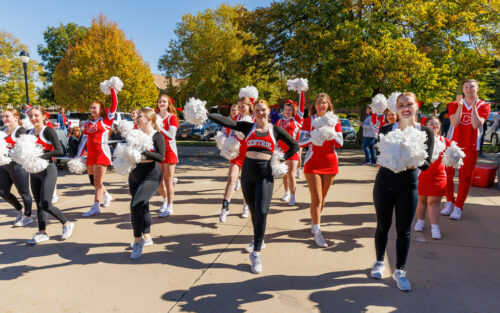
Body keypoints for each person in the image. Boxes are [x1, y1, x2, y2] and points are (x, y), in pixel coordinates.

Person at [208, 99, 299, 273]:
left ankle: (256, 252)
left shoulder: (275, 130)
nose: (260, 113)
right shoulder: (248, 127)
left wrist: (280, 158)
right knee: (254, 211)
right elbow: (228, 122)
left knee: (263, 211)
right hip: (248, 174)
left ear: (268, 111)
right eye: (257, 110)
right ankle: (260, 239)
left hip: (265, 174)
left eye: (263, 110)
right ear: (254, 112)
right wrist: (208, 115)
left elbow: (294, 145)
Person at [370, 92, 434, 291]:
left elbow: (425, 164)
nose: (406, 108)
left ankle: (400, 270)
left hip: (408, 185)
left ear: (416, 106)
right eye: (401, 105)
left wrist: (407, 157)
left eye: (409, 104)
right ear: (396, 108)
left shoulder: (425, 132)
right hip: (384, 184)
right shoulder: (386, 129)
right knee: (382, 225)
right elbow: (380, 156)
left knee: (404, 230)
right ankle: (380, 261)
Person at [441, 79, 491, 220]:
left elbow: (475, 125)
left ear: (477, 89)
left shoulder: (484, 106)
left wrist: (473, 107)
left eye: (472, 87)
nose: (469, 89)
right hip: (453, 144)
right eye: (466, 87)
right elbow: (455, 122)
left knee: (465, 177)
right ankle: (449, 201)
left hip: (471, 145)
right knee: (448, 174)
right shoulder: (454, 104)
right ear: (462, 89)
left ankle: (458, 206)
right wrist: (461, 107)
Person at [299, 93, 343, 248]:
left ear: (328, 105)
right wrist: (314, 137)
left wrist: (329, 134)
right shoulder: (308, 121)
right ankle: (317, 232)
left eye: (324, 102)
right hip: (313, 163)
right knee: (316, 198)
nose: (321, 105)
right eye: (318, 102)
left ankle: (314, 222)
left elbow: (340, 143)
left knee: (322, 198)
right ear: (314, 105)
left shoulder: (335, 120)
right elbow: (301, 142)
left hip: (330, 162)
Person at [26, 106, 74, 244]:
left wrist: (40, 154)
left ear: (43, 116)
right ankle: (42, 233)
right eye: (31, 116)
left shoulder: (48, 130)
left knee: (45, 203)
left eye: (36, 115)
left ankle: (66, 224)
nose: (33, 118)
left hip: (48, 169)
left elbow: (60, 150)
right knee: (39, 204)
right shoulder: (29, 132)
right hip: (34, 171)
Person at [128, 109, 166, 260]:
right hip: (134, 175)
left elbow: (161, 156)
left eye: (140, 116)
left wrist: (143, 150)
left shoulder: (157, 135)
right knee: (143, 207)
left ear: (149, 119)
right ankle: (147, 236)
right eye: (137, 116)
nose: (136, 118)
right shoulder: (134, 133)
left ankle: (138, 241)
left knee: (135, 205)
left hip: (151, 176)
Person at [79, 86, 118, 216]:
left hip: (102, 153)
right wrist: (78, 156)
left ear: (101, 110)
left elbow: (114, 104)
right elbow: (84, 141)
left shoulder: (106, 121)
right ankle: (107, 195)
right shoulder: (88, 123)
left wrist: (112, 88)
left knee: (98, 182)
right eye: (91, 107)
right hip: (91, 154)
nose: (92, 109)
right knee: (93, 181)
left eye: (94, 107)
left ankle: (96, 206)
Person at [414, 117, 451, 239]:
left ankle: (435, 228)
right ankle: (420, 221)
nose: (434, 126)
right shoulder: (419, 141)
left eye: (437, 124)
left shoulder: (445, 141)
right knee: (421, 201)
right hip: (422, 175)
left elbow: (454, 157)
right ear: (426, 126)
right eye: (432, 123)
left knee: (433, 202)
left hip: (438, 177)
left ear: (439, 127)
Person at [218, 97, 254, 223]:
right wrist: (224, 140)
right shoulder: (236, 119)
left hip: (249, 154)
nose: (240, 109)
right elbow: (228, 132)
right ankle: (225, 208)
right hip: (237, 153)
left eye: (243, 106)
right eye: (239, 107)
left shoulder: (254, 119)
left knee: (246, 182)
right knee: (231, 178)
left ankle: (246, 206)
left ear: (249, 106)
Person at [0, 109, 33, 226]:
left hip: (18, 166)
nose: (4, 119)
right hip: (4, 165)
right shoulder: (2, 131)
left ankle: (28, 216)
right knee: (2, 191)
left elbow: (27, 149)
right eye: (3, 116)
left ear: (16, 118)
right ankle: (19, 209)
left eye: (7, 116)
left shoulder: (21, 131)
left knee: (23, 192)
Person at [276, 99, 304, 205]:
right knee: (284, 174)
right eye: (285, 109)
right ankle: (286, 192)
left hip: (292, 151)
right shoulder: (279, 122)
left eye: (289, 109)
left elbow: (299, 138)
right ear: (283, 111)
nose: (287, 111)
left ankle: (292, 196)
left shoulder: (296, 122)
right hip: (281, 151)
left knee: (291, 175)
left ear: (293, 111)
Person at [157, 94, 179, 217]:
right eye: (160, 101)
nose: (162, 103)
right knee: (158, 180)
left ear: (168, 104)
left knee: (167, 180)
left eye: (164, 101)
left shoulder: (172, 118)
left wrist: (160, 128)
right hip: (158, 151)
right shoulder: (155, 117)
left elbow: (171, 135)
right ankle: (165, 198)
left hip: (169, 150)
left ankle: (170, 207)